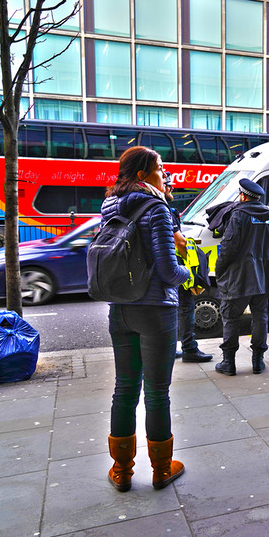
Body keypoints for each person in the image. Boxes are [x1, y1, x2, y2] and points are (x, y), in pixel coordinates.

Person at [101, 146, 191, 491]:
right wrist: (187, 267)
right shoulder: (156, 208)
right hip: (155, 311)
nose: (164, 174)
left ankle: (122, 471)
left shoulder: (109, 206)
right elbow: (168, 272)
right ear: (142, 175)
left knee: (124, 388)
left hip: (119, 308)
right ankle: (161, 469)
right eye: (160, 168)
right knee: (156, 392)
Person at [214, 179, 269, 376]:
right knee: (261, 317)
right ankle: (258, 361)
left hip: (240, 277)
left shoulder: (239, 214)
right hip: (264, 277)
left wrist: (219, 269)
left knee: (230, 318)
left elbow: (228, 247)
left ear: (243, 195)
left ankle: (228, 363)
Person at [163, 175, 212, 364]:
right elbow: (180, 241)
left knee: (170, 308)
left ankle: (169, 347)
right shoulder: (164, 210)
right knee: (186, 307)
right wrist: (194, 267)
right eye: (168, 185)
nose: (172, 188)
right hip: (175, 265)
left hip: (162, 267)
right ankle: (189, 348)